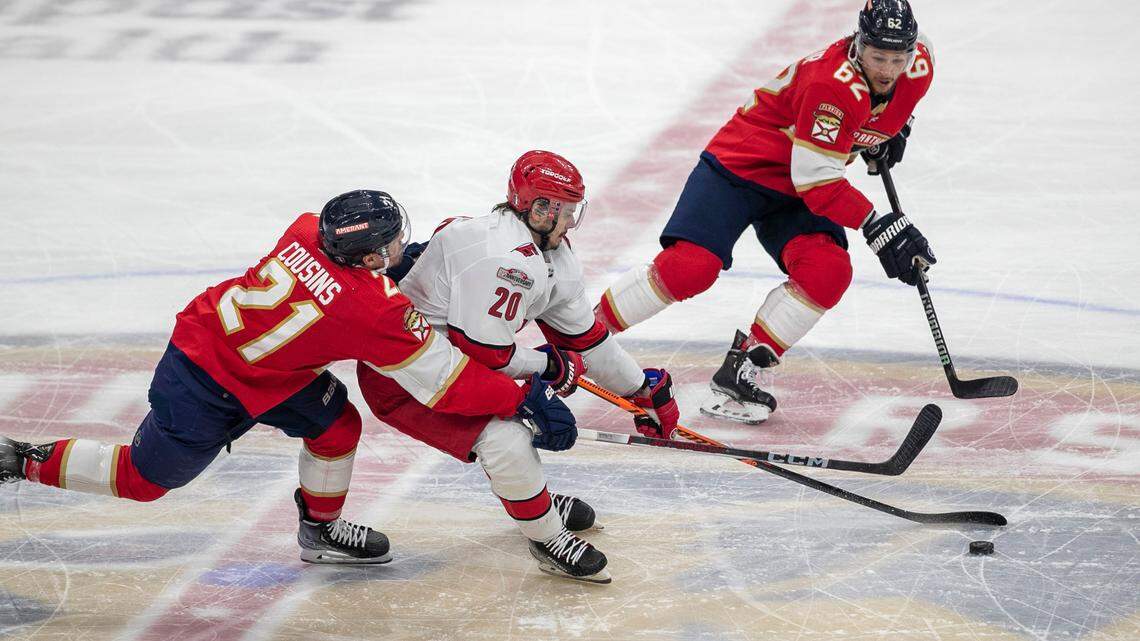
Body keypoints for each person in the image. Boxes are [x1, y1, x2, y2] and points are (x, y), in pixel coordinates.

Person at [0, 189, 574, 566]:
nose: (404, 244)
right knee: (144, 480)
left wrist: (397, 261)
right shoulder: (374, 314)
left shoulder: (306, 229)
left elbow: (347, 278)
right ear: (371, 259)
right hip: (202, 380)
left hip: (255, 360)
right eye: (394, 242)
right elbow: (448, 383)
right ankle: (20, 460)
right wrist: (521, 397)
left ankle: (319, 531)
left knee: (337, 425)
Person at [594, 0, 937, 423]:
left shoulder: (918, 65)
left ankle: (741, 371)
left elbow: (885, 104)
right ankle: (583, 337)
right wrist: (877, 224)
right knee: (690, 268)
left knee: (827, 271)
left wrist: (892, 128)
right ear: (857, 44)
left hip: (799, 183)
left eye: (897, 58)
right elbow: (819, 183)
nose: (887, 69)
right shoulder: (830, 86)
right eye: (877, 56)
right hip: (741, 167)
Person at [357, 150, 681, 584]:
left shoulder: (552, 255)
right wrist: (544, 369)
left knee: (519, 425)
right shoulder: (500, 257)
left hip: (453, 362)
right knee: (506, 439)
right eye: (565, 210)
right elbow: (486, 355)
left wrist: (640, 390)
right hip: (404, 374)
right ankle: (546, 536)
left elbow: (582, 338)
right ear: (539, 208)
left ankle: (534, 500)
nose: (571, 221)